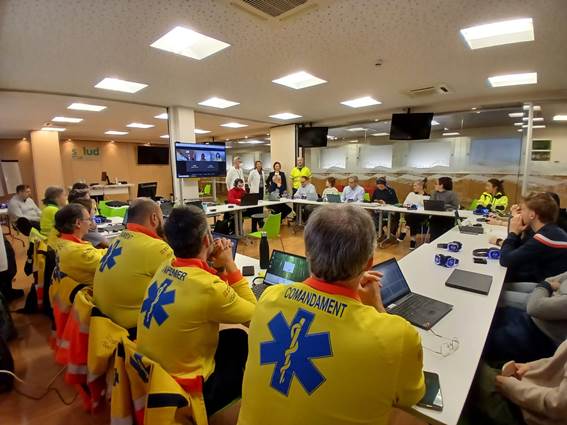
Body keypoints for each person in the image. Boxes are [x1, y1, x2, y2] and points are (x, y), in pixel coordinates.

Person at [238, 205, 425, 425]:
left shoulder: (269, 297)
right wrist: (377, 307)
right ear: (368, 263)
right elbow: (411, 397)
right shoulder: (396, 335)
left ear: (307, 253)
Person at [136, 206, 256, 422]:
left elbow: (207, 290)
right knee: (243, 342)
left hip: (153, 378)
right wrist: (229, 263)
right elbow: (255, 317)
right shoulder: (208, 288)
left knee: (235, 338)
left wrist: (216, 268)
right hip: (185, 389)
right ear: (207, 239)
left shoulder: (165, 265)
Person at [94, 198, 173, 331]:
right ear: (154, 218)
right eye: (162, 218)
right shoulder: (156, 248)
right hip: (132, 330)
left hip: (104, 325)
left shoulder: (118, 239)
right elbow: (184, 286)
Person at [462, 340, 567, 425]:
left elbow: (558, 405)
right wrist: (531, 367)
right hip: (525, 387)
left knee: (467, 364)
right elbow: (561, 358)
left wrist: (511, 387)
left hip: (528, 412)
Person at [484, 271, 566, 364]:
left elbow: (534, 307)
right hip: (530, 316)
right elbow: (548, 280)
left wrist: (548, 286)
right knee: (486, 312)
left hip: (540, 336)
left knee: (483, 341)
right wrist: (547, 286)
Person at [499, 192, 567, 283]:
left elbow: (506, 260)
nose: (520, 213)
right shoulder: (550, 231)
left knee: (498, 287)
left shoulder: (544, 238)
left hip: (549, 288)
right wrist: (517, 232)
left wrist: (513, 233)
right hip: (544, 281)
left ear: (532, 215)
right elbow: (517, 251)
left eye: (522, 210)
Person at [51, 203, 106, 285]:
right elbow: (111, 265)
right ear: (78, 223)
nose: (90, 223)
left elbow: (98, 253)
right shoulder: (79, 252)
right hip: (91, 290)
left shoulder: (60, 241)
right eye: (89, 219)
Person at [399, 179, 429, 250]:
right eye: (413, 186)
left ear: (421, 186)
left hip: (422, 215)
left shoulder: (427, 196)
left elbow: (425, 207)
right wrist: (411, 206)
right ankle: (413, 240)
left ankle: (405, 230)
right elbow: (405, 204)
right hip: (412, 214)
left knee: (413, 217)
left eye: (415, 186)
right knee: (412, 218)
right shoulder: (411, 194)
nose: (414, 187)